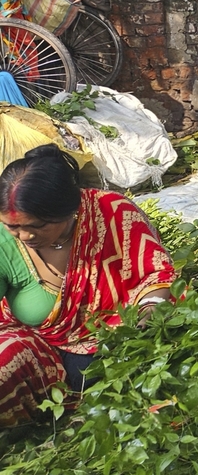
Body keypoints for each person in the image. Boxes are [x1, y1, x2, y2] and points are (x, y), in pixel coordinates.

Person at [0, 146, 175, 426]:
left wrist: (147, 315)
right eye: (13, 227)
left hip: (112, 338)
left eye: (38, 225)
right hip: (37, 343)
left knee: (123, 369)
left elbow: (155, 274)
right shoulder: (3, 242)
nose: (24, 236)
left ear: (69, 210)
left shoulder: (111, 213)